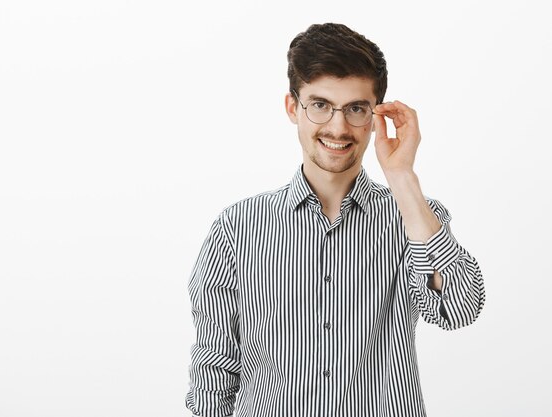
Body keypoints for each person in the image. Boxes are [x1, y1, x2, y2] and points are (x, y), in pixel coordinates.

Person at [185, 23, 485, 417]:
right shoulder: (237, 228)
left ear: (377, 114)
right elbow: (214, 371)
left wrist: (402, 178)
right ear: (293, 108)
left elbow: (458, 308)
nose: (339, 127)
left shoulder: (415, 218)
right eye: (321, 104)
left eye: (356, 109)